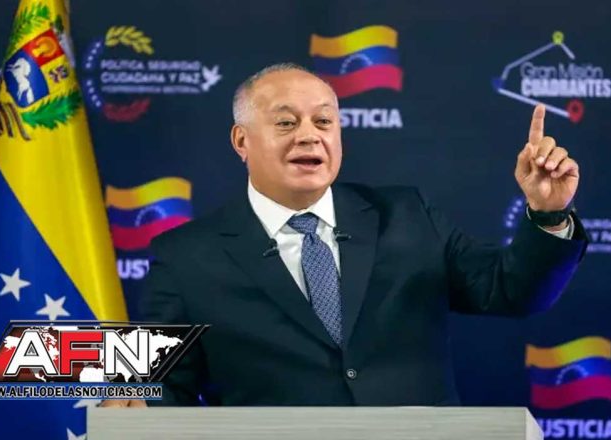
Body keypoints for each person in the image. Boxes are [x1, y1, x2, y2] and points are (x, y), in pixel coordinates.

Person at [102, 62, 586, 407]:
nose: (309, 135)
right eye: (286, 122)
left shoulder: (407, 216)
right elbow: (159, 388)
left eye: (324, 121)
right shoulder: (186, 256)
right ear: (241, 140)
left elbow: (512, 290)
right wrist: (134, 399)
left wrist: (548, 216)